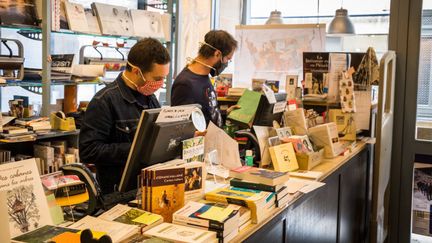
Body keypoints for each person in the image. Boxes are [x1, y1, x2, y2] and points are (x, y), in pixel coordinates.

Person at [79, 38, 170, 195]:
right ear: (136, 71)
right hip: (119, 193)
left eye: (164, 78)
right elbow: (88, 151)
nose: (160, 84)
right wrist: (136, 150)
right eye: (157, 79)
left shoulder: (150, 97)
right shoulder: (104, 101)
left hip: (148, 187)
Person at [171, 30, 238, 128]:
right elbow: (181, 127)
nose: (227, 63)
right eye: (228, 59)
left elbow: (206, 113)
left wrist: (224, 113)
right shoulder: (185, 84)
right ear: (217, 54)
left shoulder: (204, 76)